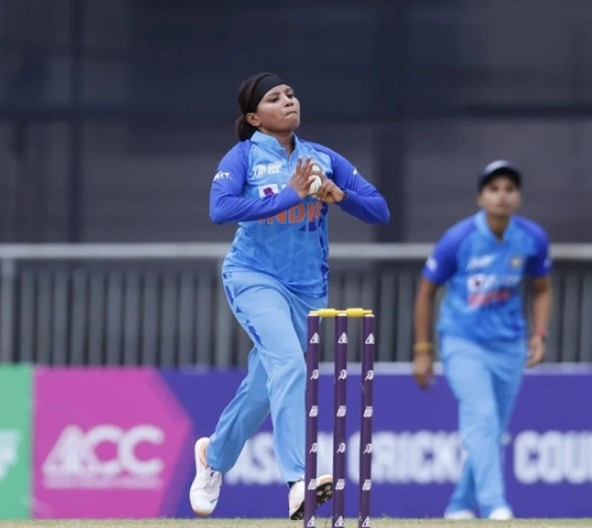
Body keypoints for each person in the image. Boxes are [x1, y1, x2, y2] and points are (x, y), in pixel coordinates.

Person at [189, 72, 390, 520]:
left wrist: (340, 195)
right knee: (290, 366)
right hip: (253, 276)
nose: (288, 101)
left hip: (307, 289)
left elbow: (379, 209)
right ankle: (299, 480)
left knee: (263, 387)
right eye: (275, 98)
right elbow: (221, 209)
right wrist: (290, 195)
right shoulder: (244, 156)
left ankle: (212, 457)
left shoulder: (322, 157)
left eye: (291, 95)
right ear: (254, 118)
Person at [411, 160, 552, 521]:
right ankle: (494, 505)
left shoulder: (532, 238)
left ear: (518, 197)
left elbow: (541, 288)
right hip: (463, 342)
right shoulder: (458, 238)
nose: (502, 196)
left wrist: (539, 334)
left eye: (509, 189)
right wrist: (423, 350)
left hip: (510, 345)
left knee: (493, 430)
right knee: (482, 418)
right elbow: (426, 291)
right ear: (480, 197)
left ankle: (460, 504)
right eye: (494, 189)